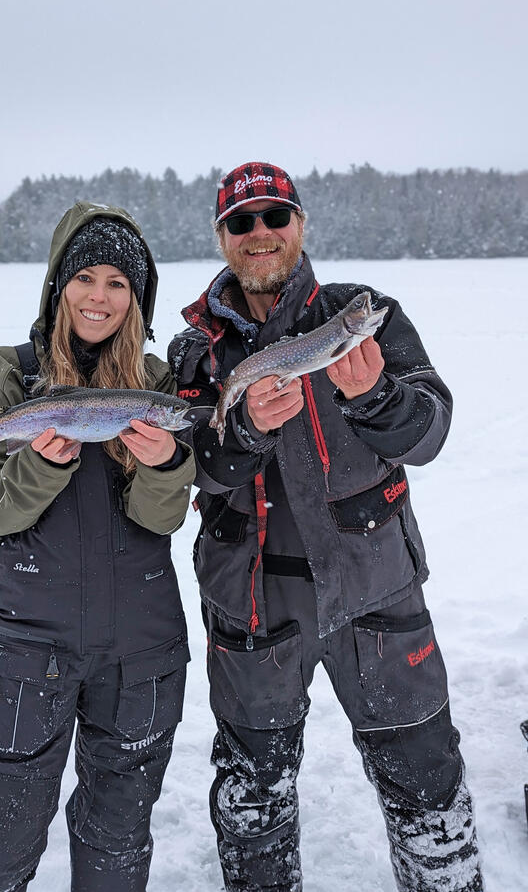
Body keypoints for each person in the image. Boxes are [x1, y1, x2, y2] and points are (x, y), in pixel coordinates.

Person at [168, 162, 483, 892]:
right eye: (241, 222)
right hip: (251, 603)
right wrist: (241, 431)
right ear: (222, 237)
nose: (261, 233)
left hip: (375, 589)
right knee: (253, 799)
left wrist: (373, 396)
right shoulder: (198, 349)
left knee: (428, 789)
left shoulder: (366, 312)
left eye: (276, 215)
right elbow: (193, 467)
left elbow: (429, 432)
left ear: (301, 225)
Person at [0, 202, 195, 892]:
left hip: (141, 650)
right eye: (86, 277)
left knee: (116, 846)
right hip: (26, 648)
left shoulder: (156, 383)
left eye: (117, 281)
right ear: (58, 285)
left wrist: (167, 463)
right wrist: (41, 464)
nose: (99, 296)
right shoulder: (7, 373)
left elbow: (161, 520)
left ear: (136, 298)